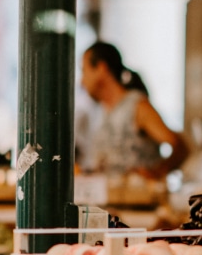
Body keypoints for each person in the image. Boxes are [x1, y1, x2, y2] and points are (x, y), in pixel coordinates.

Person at [79, 42, 189, 178]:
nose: (81, 82)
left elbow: (181, 147)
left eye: (84, 71)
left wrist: (158, 172)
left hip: (138, 198)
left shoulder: (137, 106)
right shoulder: (101, 112)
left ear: (101, 68)